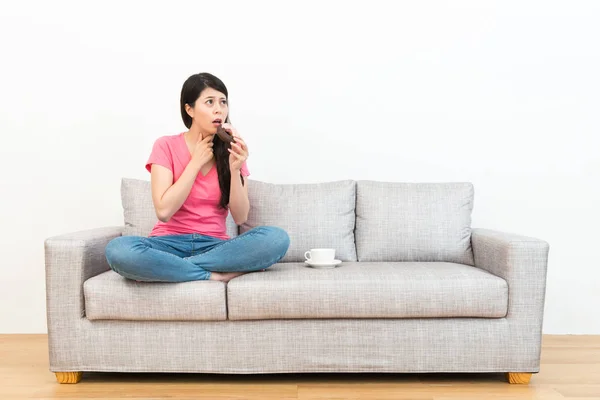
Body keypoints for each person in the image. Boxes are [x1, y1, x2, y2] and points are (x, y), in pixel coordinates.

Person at [105, 72, 290, 283]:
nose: (219, 109)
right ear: (189, 109)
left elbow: (240, 217)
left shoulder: (233, 152)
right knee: (118, 250)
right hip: (167, 245)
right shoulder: (165, 145)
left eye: (223, 102)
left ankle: (168, 270)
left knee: (276, 238)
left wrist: (235, 169)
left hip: (215, 245)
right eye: (209, 102)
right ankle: (211, 275)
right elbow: (164, 211)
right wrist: (195, 164)